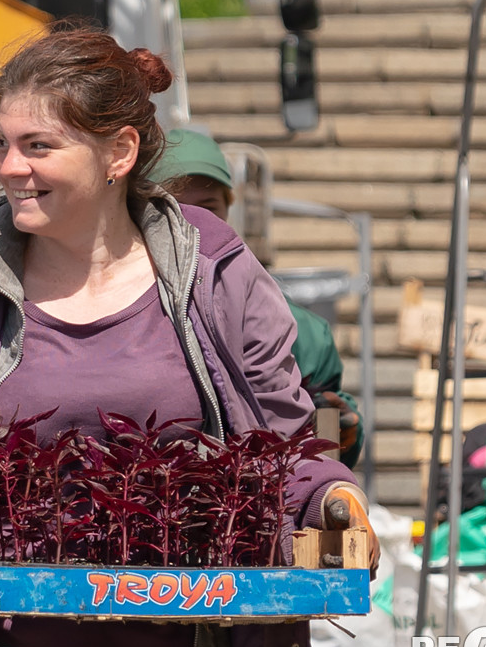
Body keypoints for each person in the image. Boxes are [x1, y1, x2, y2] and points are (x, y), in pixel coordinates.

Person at [0, 21, 379, 647]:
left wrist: (334, 497)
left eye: (38, 146)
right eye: (2, 144)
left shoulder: (218, 276)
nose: (9, 167)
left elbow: (286, 446)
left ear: (118, 151)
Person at [150, 128, 365, 468]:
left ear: (229, 209)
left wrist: (344, 427)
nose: (193, 223)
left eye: (208, 208)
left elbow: (330, 440)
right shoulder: (128, 318)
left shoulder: (302, 333)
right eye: (175, 208)